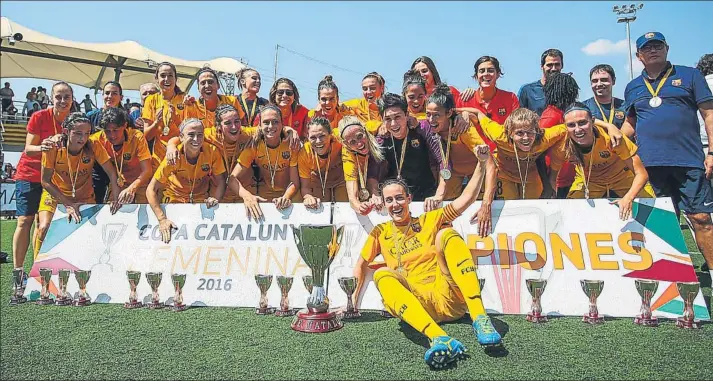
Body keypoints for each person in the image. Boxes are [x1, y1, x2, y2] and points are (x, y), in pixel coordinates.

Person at [352, 145, 500, 369]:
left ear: (409, 199)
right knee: (382, 273)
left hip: (450, 298)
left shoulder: (429, 219)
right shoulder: (380, 232)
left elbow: (466, 199)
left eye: (399, 198)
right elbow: (362, 264)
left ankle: (479, 317)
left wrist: (480, 165)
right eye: (389, 200)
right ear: (383, 203)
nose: (395, 205)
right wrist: (352, 301)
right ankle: (439, 337)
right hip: (418, 305)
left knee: (447, 234)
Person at [621, 31, 713, 277]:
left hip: (689, 161)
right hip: (650, 166)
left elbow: (709, 115)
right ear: (638, 55)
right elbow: (630, 124)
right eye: (647, 47)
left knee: (701, 217)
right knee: (662, 224)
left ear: (667, 48)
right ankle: (670, 277)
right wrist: (613, 138)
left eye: (657, 45)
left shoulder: (690, 75)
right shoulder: (633, 87)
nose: (653, 50)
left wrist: (712, 152)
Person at [460, 107, 622, 200]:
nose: (525, 138)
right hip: (504, 176)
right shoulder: (498, 134)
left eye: (530, 133)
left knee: (535, 209)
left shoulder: (545, 137)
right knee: (509, 209)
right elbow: (478, 113)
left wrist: (609, 126)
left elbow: (573, 125)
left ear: (537, 132)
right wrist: (457, 111)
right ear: (510, 133)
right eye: (519, 134)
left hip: (530, 177)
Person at [11, 81, 74, 279]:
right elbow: (28, 148)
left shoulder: (73, 122)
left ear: (72, 100)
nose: (62, 101)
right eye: (58, 97)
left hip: (54, 178)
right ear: (51, 98)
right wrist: (44, 146)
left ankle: (40, 270)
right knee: (24, 220)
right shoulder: (39, 116)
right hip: (30, 174)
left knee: (44, 223)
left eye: (67, 97)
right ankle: (18, 271)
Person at [36, 113, 122, 257]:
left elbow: (112, 174)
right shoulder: (54, 148)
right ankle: (39, 273)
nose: (82, 138)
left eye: (87, 133)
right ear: (66, 132)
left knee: (89, 234)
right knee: (44, 227)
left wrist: (114, 196)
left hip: (84, 196)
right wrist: (68, 204)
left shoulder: (93, 145)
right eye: (77, 133)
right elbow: (45, 181)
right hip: (56, 196)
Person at [426, 85, 498, 237]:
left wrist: (487, 204)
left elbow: (491, 165)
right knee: (443, 211)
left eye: (436, 115)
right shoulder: (429, 125)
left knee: (479, 213)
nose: (431, 120)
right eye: (428, 115)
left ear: (449, 113)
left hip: (476, 176)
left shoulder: (463, 127)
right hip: (452, 175)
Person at [562, 102, 655, 216]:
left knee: (651, 207)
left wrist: (628, 198)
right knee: (568, 212)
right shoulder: (563, 141)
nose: (577, 129)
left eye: (582, 123)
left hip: (621, 177)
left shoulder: (613, 137)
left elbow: (641, 174)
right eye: (571, 125)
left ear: (592, 121)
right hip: (590, 180)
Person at [147, 118, 226, 243]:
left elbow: (221, 181)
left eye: (200, 135)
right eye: (191, 135)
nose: (196, 139)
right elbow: (151, 189)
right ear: (181, 137)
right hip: (174, 201)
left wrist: (215, 198)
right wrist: (162, 219)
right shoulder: (173, 156)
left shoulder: (212, 151)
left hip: (201, 202)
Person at [166, 103, 256, 203]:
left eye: (237, 121)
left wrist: (259, 135)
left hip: (245, 191)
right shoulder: (209, 135)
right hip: (218, 192)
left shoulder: (248, 133)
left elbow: (266, 129)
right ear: (218, 126)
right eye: (227, 123)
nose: (234, 127)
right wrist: (171, 146)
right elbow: (183, 139)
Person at [368, 93, 444, 205]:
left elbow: (443, 162)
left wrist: (439, 195)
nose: (393, 124)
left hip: (426, 196)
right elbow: (372, 172)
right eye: (388, 119)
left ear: (407, 115)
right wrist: (375, 194)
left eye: (397, 117)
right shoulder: (381, 139)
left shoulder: (422, 129)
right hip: (395, 199)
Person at [230, 105, 300, 220]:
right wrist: (246, 196)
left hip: (291, 193)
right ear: (260, 125)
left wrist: (286, 197)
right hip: (266, 193)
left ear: (282, 124)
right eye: (266, 122)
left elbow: (295, 182)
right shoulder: (254, 145)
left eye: (275, 122)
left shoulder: (291, 144)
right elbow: (232, 179)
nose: (271, 126)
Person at [89, 107, 152, 204]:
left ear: (125, 125)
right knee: (113, 210)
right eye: (107, 131)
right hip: (117, 182)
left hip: (140, 182)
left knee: (144, 212)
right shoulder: (96, 139)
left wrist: (132, 188)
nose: (112, 135)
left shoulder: (137, 137)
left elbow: (147, 171)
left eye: (116, 130)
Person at [456, 56, 520, 147]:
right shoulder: (464, 100)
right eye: (481, 71)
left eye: (490, 70)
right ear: (476, 76)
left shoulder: (510, 98)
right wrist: (464, 113)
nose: (486, 74)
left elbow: (517, 129)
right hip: (473, 156)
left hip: (503, 155)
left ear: (498, 74)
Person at [540, 72, 580, 198]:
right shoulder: (551, 115)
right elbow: (537, 153)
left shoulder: (565, 113)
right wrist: (546, 185)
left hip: (568, 177)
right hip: (555, 181)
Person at [142, 62, 188, 170]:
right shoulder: (151, 100)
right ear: (157, 79)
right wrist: (156, 123)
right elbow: (147, 136)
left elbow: (188, 133)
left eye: (170, 75)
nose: (166, 79)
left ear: (176, 79)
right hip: (158, 158)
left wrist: (176, 120)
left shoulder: (184, 99)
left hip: (180, 155)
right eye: (163, 75)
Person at [87, 81, 126, 204]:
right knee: (96, 204)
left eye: (114, 93)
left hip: (119, 168)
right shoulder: (91, 117)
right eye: (107, 93)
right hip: (96, 168)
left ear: (121, 97)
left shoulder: (126, 118)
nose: (110, 96)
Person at [338, 115, 385, 215]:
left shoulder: (372, 126)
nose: (360, 144)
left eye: (360, 136)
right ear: (345, 144)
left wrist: (384, 126)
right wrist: (359, 207)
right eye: (352, 142)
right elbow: (352, 198)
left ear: (365, 130)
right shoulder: (347, 155)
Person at [298, 117, 347, 208]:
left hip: (340, 182)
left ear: (330, 134)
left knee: (345, 207)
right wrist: (308, 197)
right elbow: (305, 187)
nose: (318, 141)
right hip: (319, 184)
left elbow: (361, 127)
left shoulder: (340, 138)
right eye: (313, 137)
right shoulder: (304, 152)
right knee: (318, 206)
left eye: (322, 136)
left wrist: (380, 126)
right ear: (307, 137)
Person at [518, 49, 564, 116]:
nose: (554, 68)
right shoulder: (527, 90)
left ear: (562, 66)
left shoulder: (567, 90)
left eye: (557, 64)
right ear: (542, 66)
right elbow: (518, 118)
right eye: (549, 65)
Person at [583, 64, 626, 129]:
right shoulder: (583, 107)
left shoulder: (625, 106)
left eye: (604, 80)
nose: (599, 84)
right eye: (595, 81)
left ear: (613, 81)